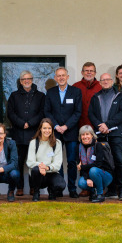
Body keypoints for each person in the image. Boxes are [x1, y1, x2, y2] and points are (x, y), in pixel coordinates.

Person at [89, 72, 122, 200]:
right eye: (103, 80)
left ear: (112, 81)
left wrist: (107, 124)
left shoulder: (120, 96)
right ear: (99, 83)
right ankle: (111, 190)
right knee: (105, 163)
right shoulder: (96, 97)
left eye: (107, 79)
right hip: (101, 135)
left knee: (119, 161)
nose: (105, 82)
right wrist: (100, 126)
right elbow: (91, 114)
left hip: (116, 134)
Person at [44, 67, 83, 197]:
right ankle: (58, 188)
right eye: (58, 76)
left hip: (70, 132)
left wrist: (66, 126)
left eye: (63, 75)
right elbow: (47, 111)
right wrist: (55, 126)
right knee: (56, 162)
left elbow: (78, 112)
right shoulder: (50, 93)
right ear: (55, 78)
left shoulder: (76, 92)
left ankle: (72, 189)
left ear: (67, 76)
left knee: (72, 161)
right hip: (55, 133)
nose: (61, 78)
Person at [6, 71, 45, 195]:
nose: (26, 81)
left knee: (34, 163)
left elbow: (43, 112)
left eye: (29, 79)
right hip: (18, 134)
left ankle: (34, 187)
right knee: (18, 163)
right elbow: (10, 113)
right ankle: (20, 187)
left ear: (32, 80)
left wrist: (31, 123)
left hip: (34, 134)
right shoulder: (14, 95)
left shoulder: (41, 96)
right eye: (24, 79)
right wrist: (22, 123)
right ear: (21, 81)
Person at [27, 118, 65, 201]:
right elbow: (30, 162)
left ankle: (52, 191)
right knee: (35, 170)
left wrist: (47, 167)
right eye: (44, 128)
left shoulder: (57, 143)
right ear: (40, 129)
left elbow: (58, 164)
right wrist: (41, 166)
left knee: (61, 185)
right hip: (38, 174)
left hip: (51, 172)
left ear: (52, 129)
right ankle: (36, 192)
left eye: (49, 128)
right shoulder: (34, 142)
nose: (47, 130)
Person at [76, 125, 116, 203]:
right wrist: (87, 178)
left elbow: (98, 165)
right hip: (91, 174)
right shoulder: (78, 147)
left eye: (87, 134)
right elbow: (79, 165)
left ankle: (100, 194)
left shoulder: (98, 145)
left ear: (92, 135)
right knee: (81, 183)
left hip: (105, 175)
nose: (85, 137)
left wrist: (83, 167)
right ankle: (93, 192)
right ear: (80, 137)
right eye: (83, 135)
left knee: (93, 170)